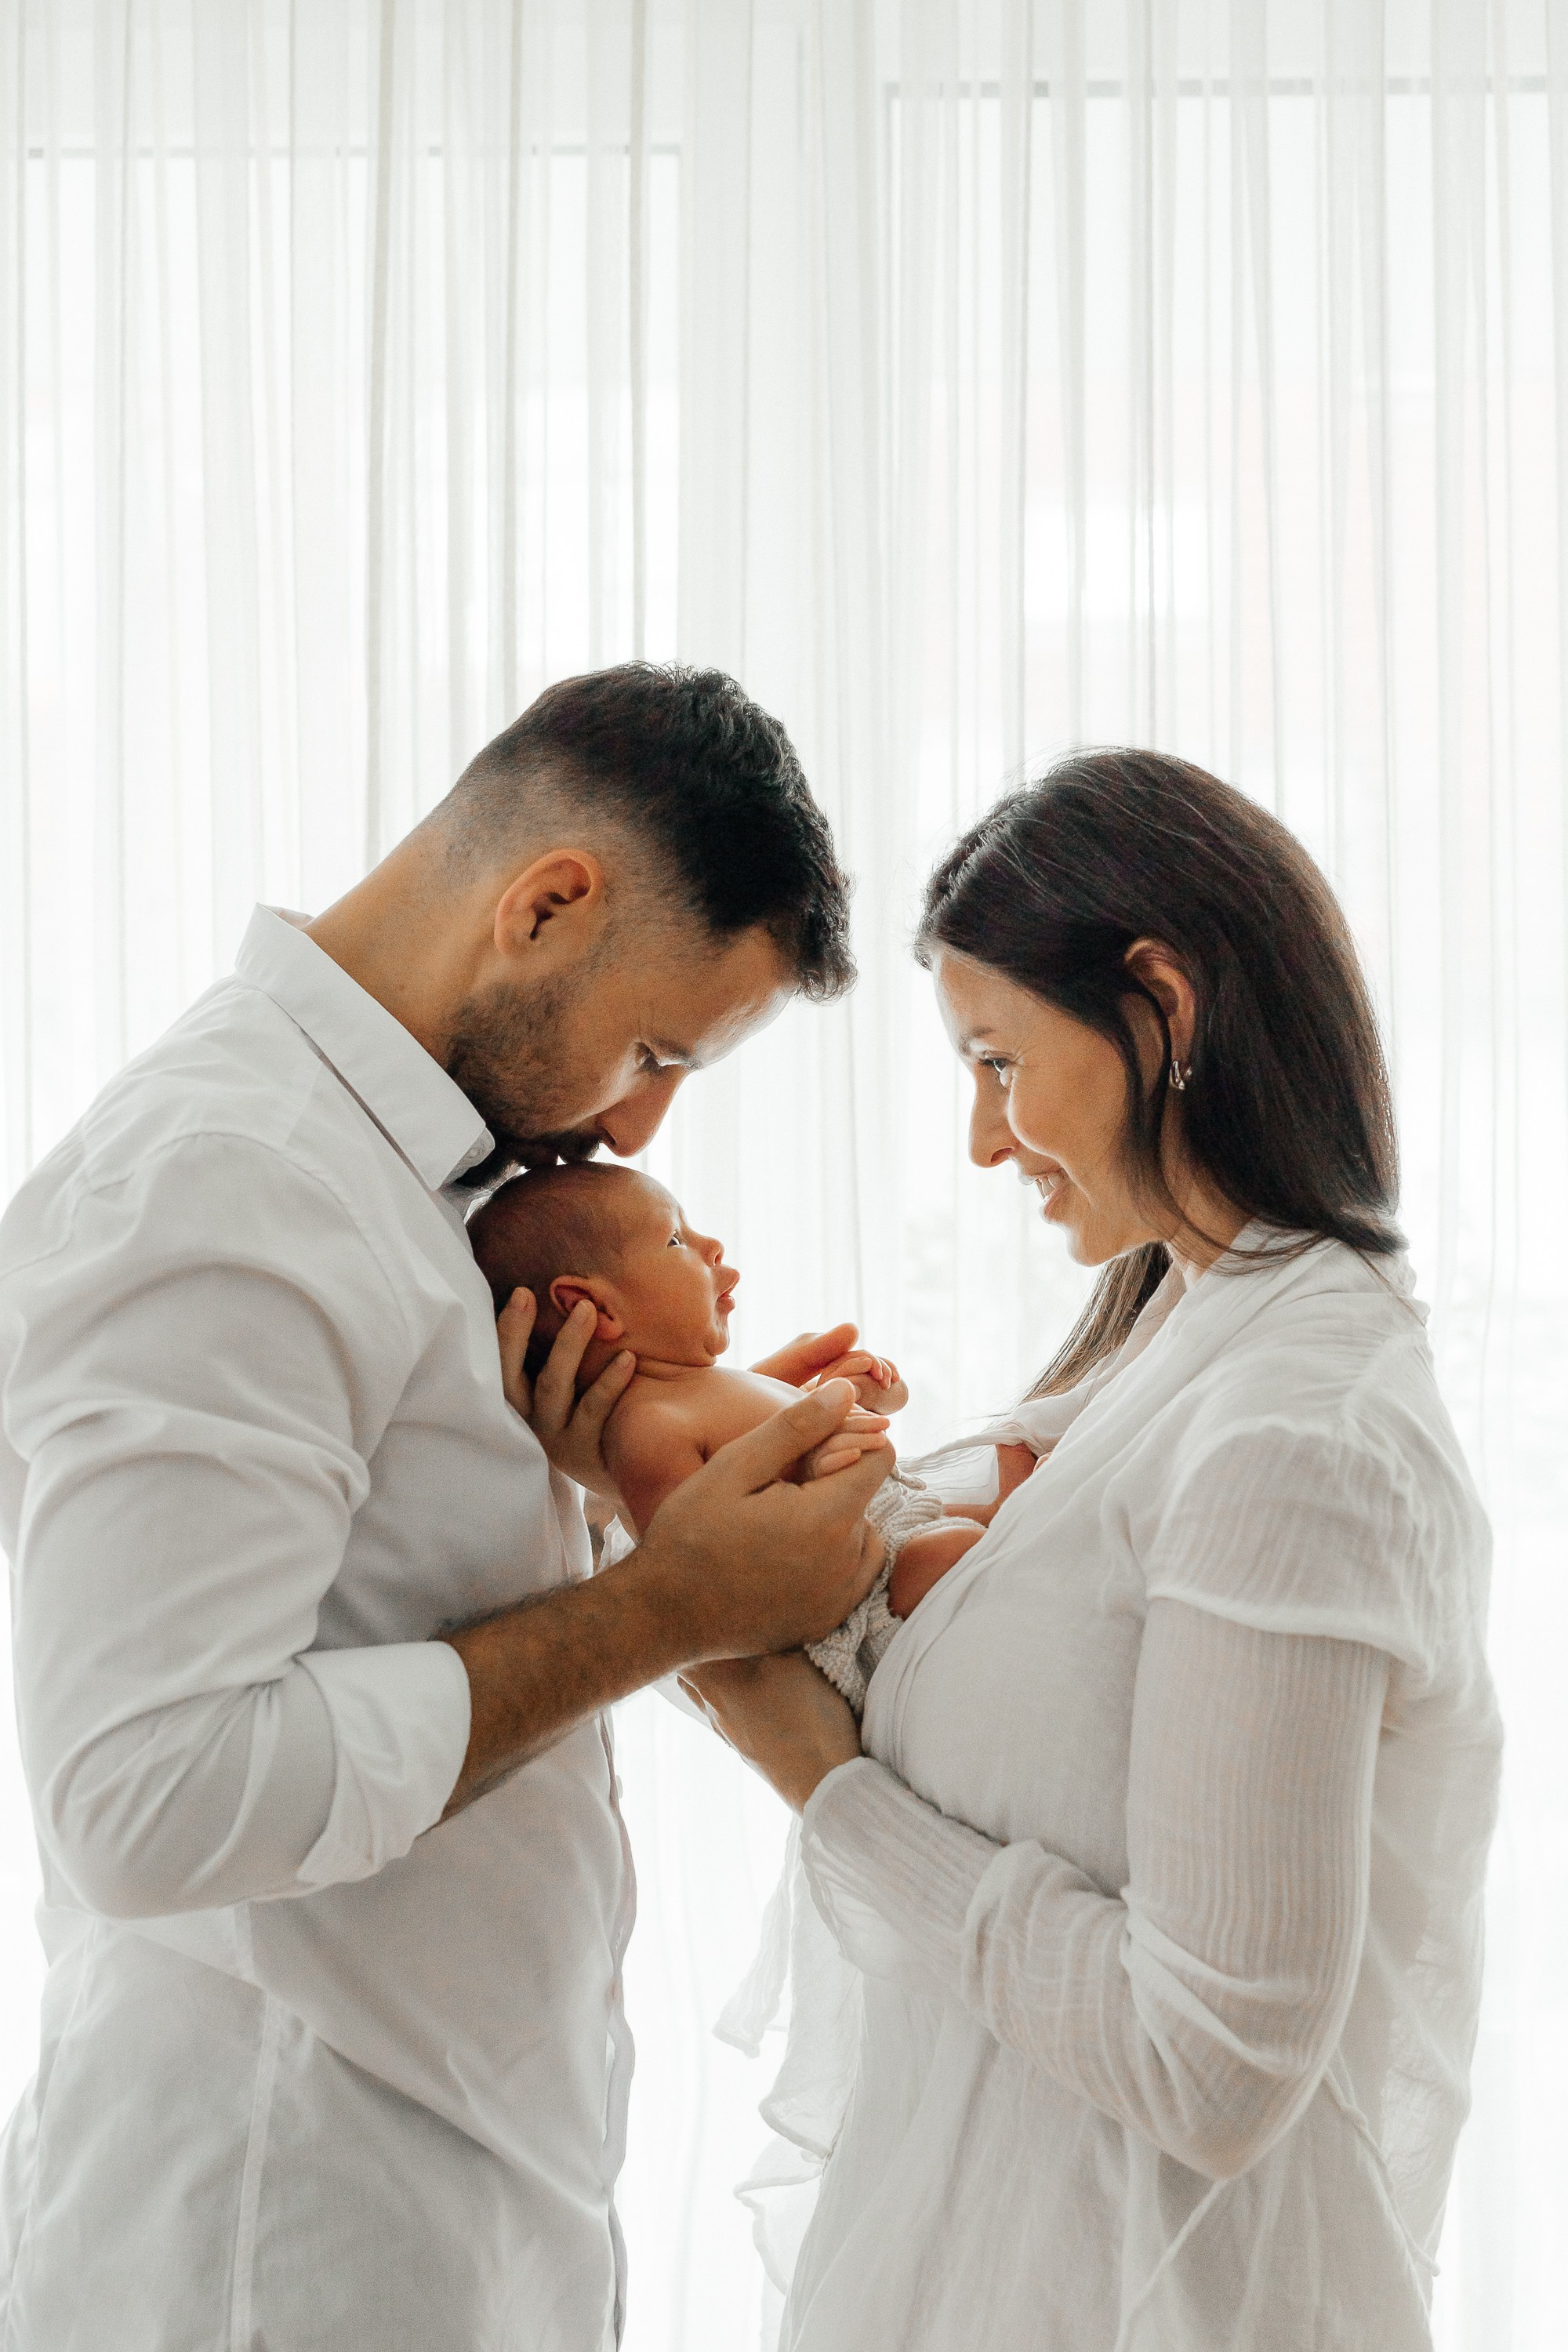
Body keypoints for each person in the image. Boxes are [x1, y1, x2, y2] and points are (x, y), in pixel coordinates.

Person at [0, 663, 895, 2352]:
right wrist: (669, 1609)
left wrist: (649, 1466)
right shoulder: (226, 1179)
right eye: (650, 1050)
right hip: (278, 2236)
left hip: (450, 2202)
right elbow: (143, 1797)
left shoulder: (410, 1187)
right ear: (547, 903)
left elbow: (381, 1581)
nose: (638, 1121)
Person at [688, 750, 1504, 2352]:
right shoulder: (1168, 1359)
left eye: (998, 1062)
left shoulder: (1293, 1430)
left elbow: (1212, 2064)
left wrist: (827, 1794)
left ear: (1162, 1008)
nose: (986, 1144)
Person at [466, 1164, 1000, 1704]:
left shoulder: (708, 1387)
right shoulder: (649, 1428)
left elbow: (830, 1430)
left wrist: (860, 1391)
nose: (713, 1245)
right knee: (965, 1547)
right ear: (596, 1308)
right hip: (864, 1596)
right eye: (675, 1238)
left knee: (1004, 1500)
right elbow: (711, 1573)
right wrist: (818, 1467)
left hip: (899, 1523)